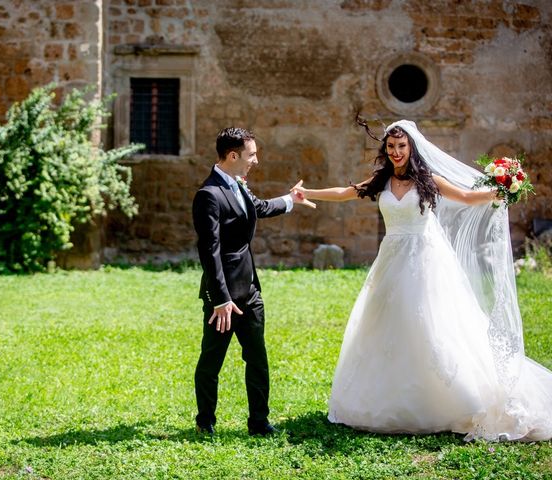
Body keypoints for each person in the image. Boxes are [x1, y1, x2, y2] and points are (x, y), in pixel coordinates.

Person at [293, 119, 552, 441]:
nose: (396, 152)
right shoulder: (381, 180)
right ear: (385, 150)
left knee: (430, 323)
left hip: (426, 259)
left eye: (401, 146)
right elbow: (347, 193)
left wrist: (499, 191)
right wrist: (307, 192)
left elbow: (466, 198)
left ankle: (451, 400)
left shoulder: (428, 179)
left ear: (411, 148)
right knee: (389, 324)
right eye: (390, 147)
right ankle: (389, 399)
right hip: (392, 258)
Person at [192, 127, 314, 436]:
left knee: (257, 359)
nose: (255, 161)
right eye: (252, 155)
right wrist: (220, 299)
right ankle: (205, 420)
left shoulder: (238, 185)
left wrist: (290, 199)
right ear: (233, 156)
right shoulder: (208, 195)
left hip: (250, 291)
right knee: (211, 360)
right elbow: (210, 251)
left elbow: (257, 208)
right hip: (224, 300)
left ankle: (259, 422)